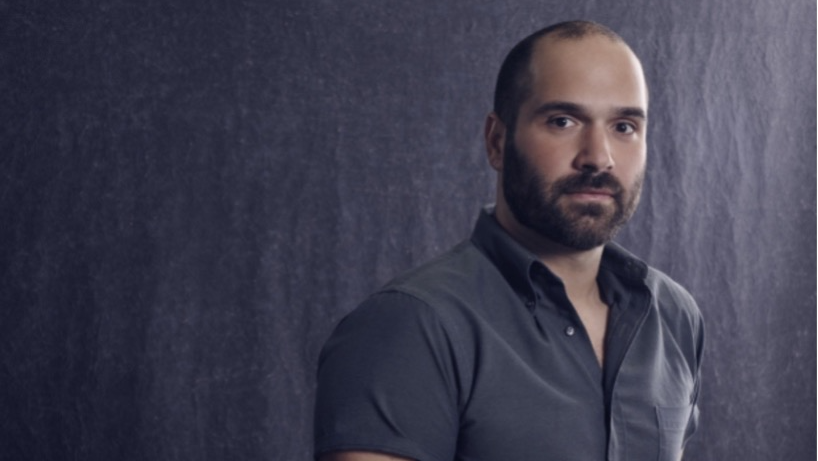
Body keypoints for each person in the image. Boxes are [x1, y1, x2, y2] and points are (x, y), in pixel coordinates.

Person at [314, 20, 704, 461]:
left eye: (625, 126)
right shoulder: (410, 326)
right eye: (563, 121)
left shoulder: (671, 315)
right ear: (497, 141)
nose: (599, 156)